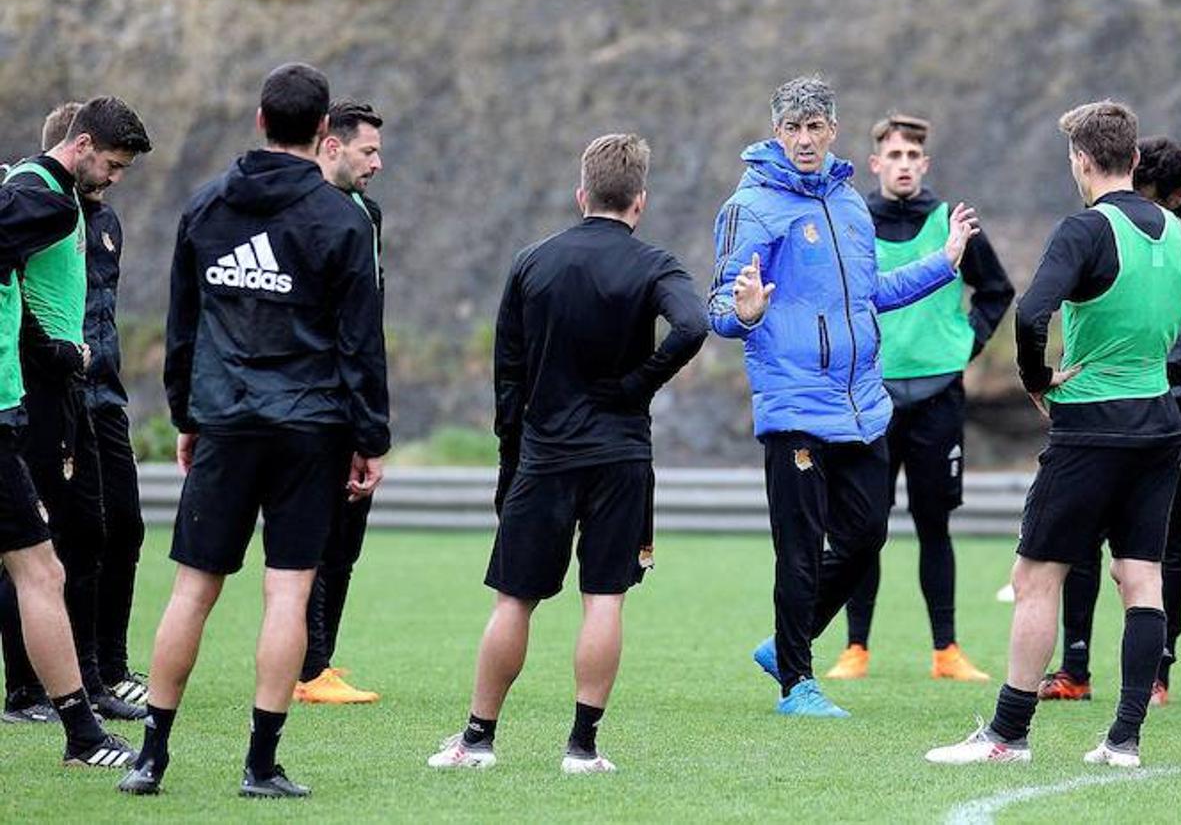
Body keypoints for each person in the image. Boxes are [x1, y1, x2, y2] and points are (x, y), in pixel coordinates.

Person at [925, 101, 1181, 769]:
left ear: (1080, 161)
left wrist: (1035, 378)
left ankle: (1007, 736)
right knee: (1141, 580)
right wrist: (1168, 370)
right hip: (1161, 428)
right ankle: (1123, 739)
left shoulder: (1083, 231)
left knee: (1035, 578)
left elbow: (1031, 311)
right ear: (1133, 160)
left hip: (1090, 432)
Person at [119, 63, 388, 798]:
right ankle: (259, 765)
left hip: (226, 423)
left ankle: (151, 758)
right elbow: (360, 342)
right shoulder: (341, 220)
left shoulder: (206, 207)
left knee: (191, 592)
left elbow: (183, 327)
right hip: (312, 428)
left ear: (260, 120)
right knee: (286, 596)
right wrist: (372, 438)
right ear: (322, 132)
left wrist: (185, 416)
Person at [428, 134, 706, 774]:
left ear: (582, 194)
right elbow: (692, 326)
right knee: (604, 597)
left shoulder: (533, 262)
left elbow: (508, 375)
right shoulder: (655, 264)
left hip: (544, 454)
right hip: (620, 455)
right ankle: (581, 747)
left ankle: (477, 740)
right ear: (640, 201)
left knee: (514, 600)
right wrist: (639, 384)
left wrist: (509, 460)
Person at [709, 76, 975, 717]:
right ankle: (797, 684)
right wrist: (742, 311)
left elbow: (871, 292)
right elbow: (720, 304)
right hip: (794, 403)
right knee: (798, 549)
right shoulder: (751, 207)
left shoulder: (850, 203)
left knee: (865, 537)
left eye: (815, 127)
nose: (804, 139)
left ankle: (786, 642)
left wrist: (944, 260)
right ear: (778, 132)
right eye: (793, 128)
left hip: (861, 404)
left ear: (833, 130)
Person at [1043, 137, 1181, 706]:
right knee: (1078, 535)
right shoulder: (1116, 224)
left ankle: (1159, 668)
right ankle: (1075, 665)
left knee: (1162, 543)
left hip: (1175, 399)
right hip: (1106, 394)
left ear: (1179, 194)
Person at [823, 114, 1013, 683]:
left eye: (913, 156)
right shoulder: (852, 222)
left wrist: (965, 344)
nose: (904, 164)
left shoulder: (951, 222)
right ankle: (855, 648)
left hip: (938, 397)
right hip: (869, 399)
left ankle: (945, 652)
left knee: (935, 525)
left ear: (925, 165)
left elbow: (997, 290)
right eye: (894, 155)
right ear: (876, 163)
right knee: (863, 527)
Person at [0, 97, 152, 726]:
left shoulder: (66, 202)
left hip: (61, 388)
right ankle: (38, 692)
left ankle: (83, 681)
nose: (115, 179)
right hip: (35, 392)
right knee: (41, 547)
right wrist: (56, 349)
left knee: (79, 536)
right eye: (113, 165)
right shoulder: (43, 196)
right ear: (82, 143)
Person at [296, 99, 387, 705]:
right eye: (368, 151)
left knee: (345, 539)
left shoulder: (366, 213)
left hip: (354, 398)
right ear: (332, 145)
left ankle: (320, 658)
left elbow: (367, 321)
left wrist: (372, 420)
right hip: (316, 401)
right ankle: (307, 667)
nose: (377, 162)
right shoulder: (303, 209)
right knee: (317, 534)